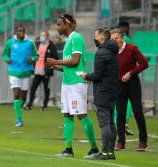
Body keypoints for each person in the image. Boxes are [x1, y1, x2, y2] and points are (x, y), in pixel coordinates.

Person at [46, 14, 99, 158]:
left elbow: (75, 61)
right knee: (67, 115)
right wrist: (53, 66)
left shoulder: (76, 38)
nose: (57, 27)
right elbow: (68, 66)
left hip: (77, 83)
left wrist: (56, 61)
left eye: (59, 24)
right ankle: (68, 150)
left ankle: (94, 149)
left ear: (67, 24)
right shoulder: (69, 40)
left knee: (81, 115)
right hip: (67, 83)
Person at [80, 27, 119, 160]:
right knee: (111, 123)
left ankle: (104, 152)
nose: (95, 39)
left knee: (104, 124)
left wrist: (86, 76)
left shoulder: (101, 53)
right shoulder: (114, 51)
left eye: (96, 36)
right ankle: (111, 152)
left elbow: (97, 75)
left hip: (103, 91)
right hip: (113, 90)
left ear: (102, 38)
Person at [111, 29, 148, 151]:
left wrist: (130, 73)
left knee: (138, 112)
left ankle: (143, 142)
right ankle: (121, 142)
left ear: (122, 38)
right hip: (119, 85)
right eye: (112, 39)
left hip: (133, 84)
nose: (113, 41)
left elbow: (144, 63)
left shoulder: (132, 48)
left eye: (115, 38)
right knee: (120, 114)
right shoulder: (112, 51)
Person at [3, 24, 38, 127]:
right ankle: (19, 119)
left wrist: (32, 59)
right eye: (20, 31)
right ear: (16, 32)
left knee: (24, 97)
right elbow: (5, 54)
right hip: (13, 71)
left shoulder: (30, 43)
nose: (22, 33)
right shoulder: (10, 42)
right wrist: (7, 59)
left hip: (26, 72)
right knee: (16, 92)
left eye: (23, 31)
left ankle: (18, 107)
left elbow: (36, 55)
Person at [24, 31, 58, 111]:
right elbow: (34, 56)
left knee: (46, 89)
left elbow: (55, 57)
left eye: (43, 35)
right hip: (37, 71)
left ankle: (44, 105)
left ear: (47, 37)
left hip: (45, 72)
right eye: (41, 35)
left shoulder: (51, 45)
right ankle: (30, 104)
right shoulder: (37, 45)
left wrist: (49, 69)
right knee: (33, 88)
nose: (41, 37)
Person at [114, 21, 134, 136]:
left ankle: (119, 123)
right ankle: (123, 123)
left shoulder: (114, 39)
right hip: (126, 74)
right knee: (127, 100)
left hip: (118, 73)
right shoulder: (126, 39)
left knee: (119, 99)